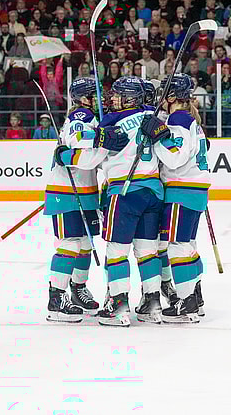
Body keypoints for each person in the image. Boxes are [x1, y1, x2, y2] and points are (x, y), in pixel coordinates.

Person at [58, 77, 165, 326]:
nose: (111, 99)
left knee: (117, 252)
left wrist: (68, 153)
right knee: (147, 251)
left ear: (129, 98)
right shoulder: (153, 115)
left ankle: (118, 306)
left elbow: (87, 147)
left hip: (124, 191)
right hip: (153, 191)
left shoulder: (111, 120)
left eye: (117, 95)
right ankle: (152, 304)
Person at [44, 77, 127, 322]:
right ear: (83, 98)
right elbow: (79, 142)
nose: (100, 98)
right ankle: (56, 299)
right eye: (95, 94)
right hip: (66, 192)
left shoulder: (94, 117)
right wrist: (102, 138)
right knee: (70, 244)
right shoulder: (81, 115)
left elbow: (93, 160)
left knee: (85, 245)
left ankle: (78, 289)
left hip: (86, 192)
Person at [153, 74, 210, 322]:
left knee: (177, 246)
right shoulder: (191, 119)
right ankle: (196, 298)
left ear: (173, 96)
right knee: (188, 246)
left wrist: (156, 139)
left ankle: (186, 303)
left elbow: (175, 157)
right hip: (195, 191)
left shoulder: (178, 118)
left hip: (181, 189)